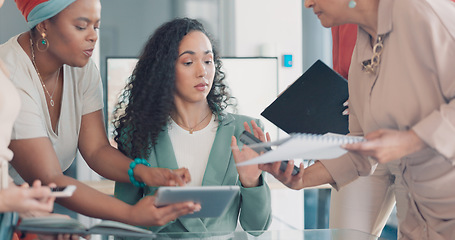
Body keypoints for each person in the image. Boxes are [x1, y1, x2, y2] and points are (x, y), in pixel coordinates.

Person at [234, 0, 455, 239]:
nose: (307, 3)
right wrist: (302, 178)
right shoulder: (364, 50)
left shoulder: (422, 14)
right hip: (418, 217)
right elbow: (359, 145)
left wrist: (409, 141)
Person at [1, 0, 199, 227]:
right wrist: (131, 214)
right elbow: (49, 178)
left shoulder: (82, 70)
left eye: (96, 26)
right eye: (81, 26)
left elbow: (96, 150)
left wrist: (147, 173)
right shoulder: (10, 75)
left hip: (22, 209)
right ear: (44, 25)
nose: (93, 36)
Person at [114, 18, 272, 233]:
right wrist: (162, 210)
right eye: (188, 62)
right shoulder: (136, 135)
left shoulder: (246, 129)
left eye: (208, 61)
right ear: (164, 70)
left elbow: (257, 227)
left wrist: (251, 182)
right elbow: (123, 225)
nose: (202, 71)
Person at [329, 23, 396, 237]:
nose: (308, 4)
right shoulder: (350, 23)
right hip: (363, 138)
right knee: (346, 234)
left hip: (424, 149)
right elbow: (342, 75)